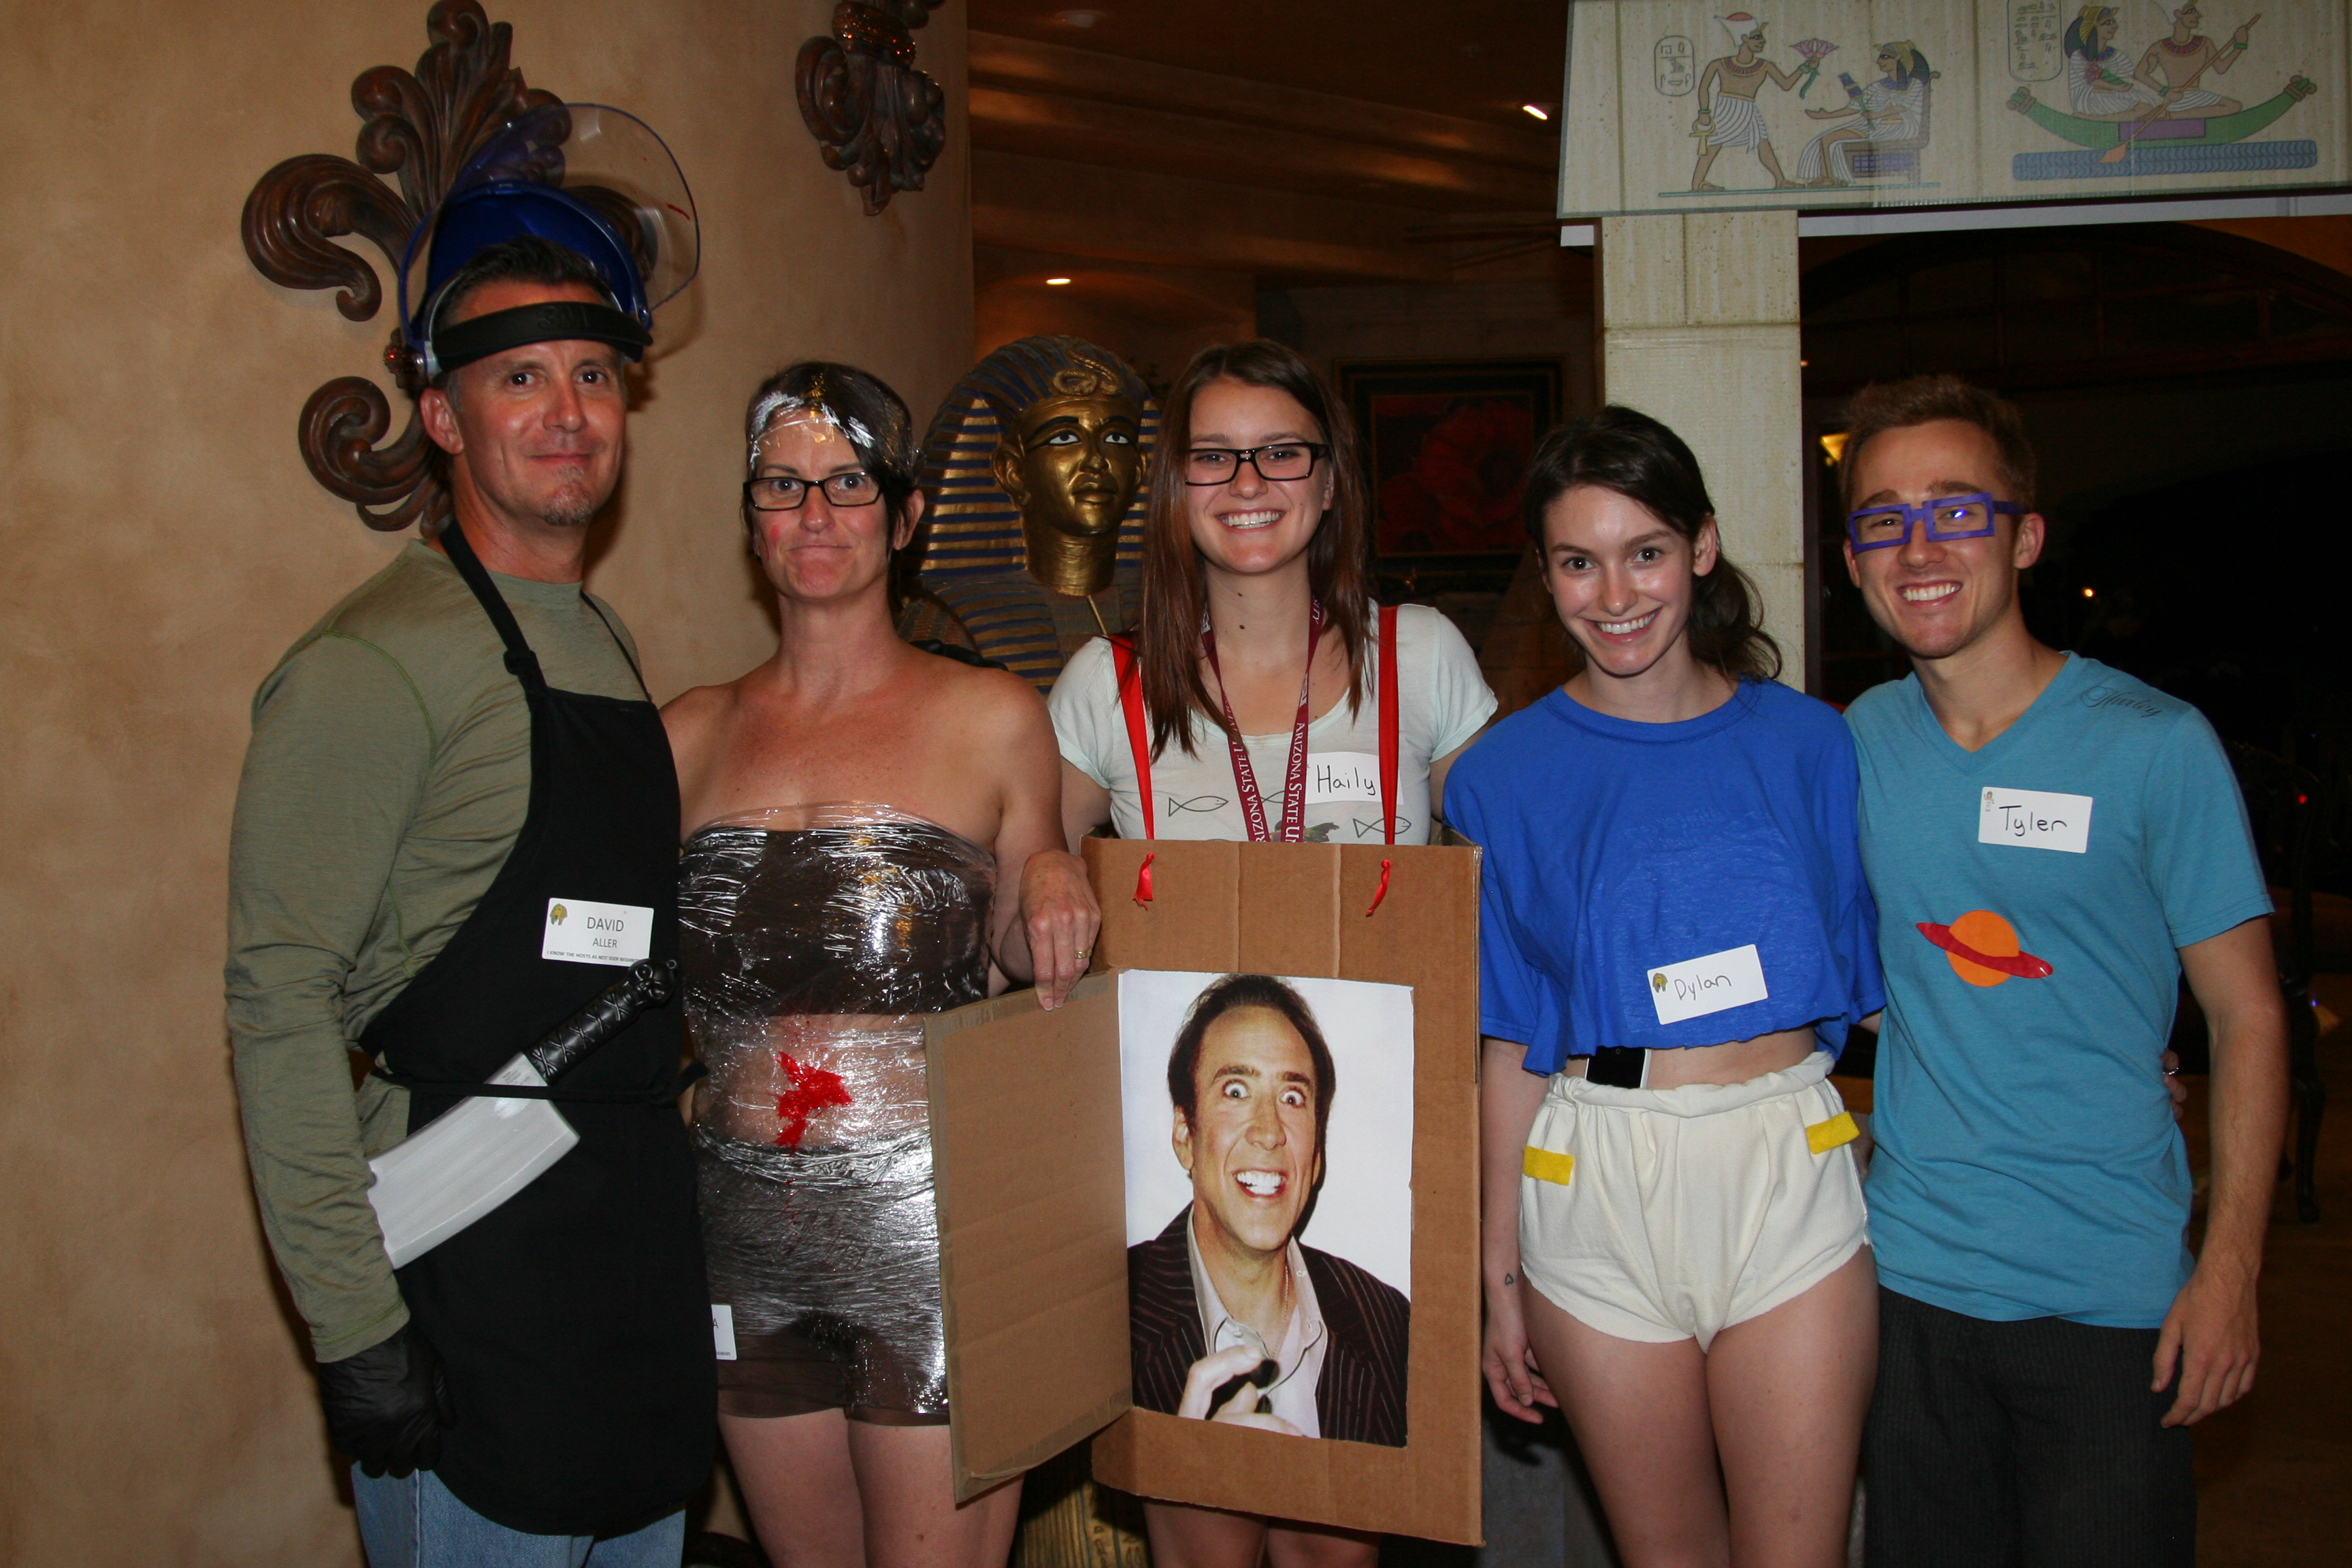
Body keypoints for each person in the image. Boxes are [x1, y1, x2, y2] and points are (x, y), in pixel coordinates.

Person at [225, 227, 716, 1559]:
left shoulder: (602, 638)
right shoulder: (370, 665)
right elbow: (279, 1000)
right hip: (464, 1269)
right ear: (443, 417)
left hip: (626, 1268)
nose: (568, 412)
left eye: (593, 375)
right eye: (520, 378)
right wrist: (355, 1328)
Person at [1049, 339, 1495, 1567]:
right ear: (1175, 485)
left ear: (1330, 478)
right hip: (1173, 1172)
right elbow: (1027, 880)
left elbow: (1514, 878)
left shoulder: (1421, 657)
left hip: (1378, 1164)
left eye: (1280, 452)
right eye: (1214, 456)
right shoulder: (1108, 684)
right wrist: (1039, 865)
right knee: (1199, 1528)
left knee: (1336, 1548)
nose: (1248, 482)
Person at [1835, 375, 2287, 1567]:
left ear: (2026, 537)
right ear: (1855, 557)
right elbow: (1855, 972)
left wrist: (2232, 1269)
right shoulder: (1854, 745)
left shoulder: (2152, 744)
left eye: (1956, 509)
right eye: (1883, 518)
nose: (1918, 547)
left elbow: (2248, 1015)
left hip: (2110, 1295)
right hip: (1911, 1289)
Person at [665, 362, 1099, 1568]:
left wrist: (1052, 871)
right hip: (741, 1227)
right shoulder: (686, 734)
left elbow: (1022, 953)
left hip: (931, 1227)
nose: (814, 514)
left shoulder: (992, 714)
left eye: (847, 483)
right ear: (752, 518)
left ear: (904, 517)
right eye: (782, 485)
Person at [1450, 406, 1884, 1568]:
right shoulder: (1500, 777)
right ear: (1545, 574)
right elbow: (1510, 1041)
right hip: (1592, 1175)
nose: (1614, 594)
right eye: (1577, 562)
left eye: (1644, 551)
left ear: (1701, 545)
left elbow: (1894, 981)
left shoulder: (1813, 745)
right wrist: (1498, 1276)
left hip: (1786, 1157)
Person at [1128, 974, 1409, 1447]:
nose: (1269, 1131)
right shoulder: (1107, 1315)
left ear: (1315, 1155)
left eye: (1292, 1098)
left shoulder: (1389, 1324)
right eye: (1236, 1091)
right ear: (1185, 1136)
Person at [899, 335, 1154, 691]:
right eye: (1065, 438)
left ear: (1140, 467)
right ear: (1013, 471)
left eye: (1116, 439)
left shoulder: (1174, 610)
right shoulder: (951, 626)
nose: (1096, 460)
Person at [1689, 12, 1801, 191]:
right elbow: (1704, 88)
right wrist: (1704, 112)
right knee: (1713, 144)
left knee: (1762, 142)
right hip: (1727, 108)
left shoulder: (1765, 65)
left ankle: (1780, 180)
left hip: (1749, 108)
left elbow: (1786, 84)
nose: (1763, 41)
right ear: (1743, 39)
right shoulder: (1719, 64)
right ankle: (1697, 185)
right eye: (1757, 37)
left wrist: (1804, 68)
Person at [1797, 42, 1933, 187]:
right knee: (1825, 139)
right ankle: (1829, 178)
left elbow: (1904, 108)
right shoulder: (1877, 86)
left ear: (1899, 57)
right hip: (1874, 126)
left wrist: (1877, 115)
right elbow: (1855, 107)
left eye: (1885, 57)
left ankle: (1831, 178)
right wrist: (1827, 115)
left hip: (1901, 127)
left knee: (1830, 140)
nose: (1879, 61)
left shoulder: (1914, 84)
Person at [2133, 5, 2256, 118]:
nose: (2198, 15)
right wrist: (2166, 92)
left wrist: (2239, 45)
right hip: (2175, 98)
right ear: (2178, 14)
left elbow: (2221, 68)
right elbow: (2139, 73)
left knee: (2234, 106)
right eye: (2191, 11)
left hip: (2197, 95)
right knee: (2233, 106)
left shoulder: (2205, 42)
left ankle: (2171, 116)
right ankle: (2171, 115)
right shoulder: (2159, 47)